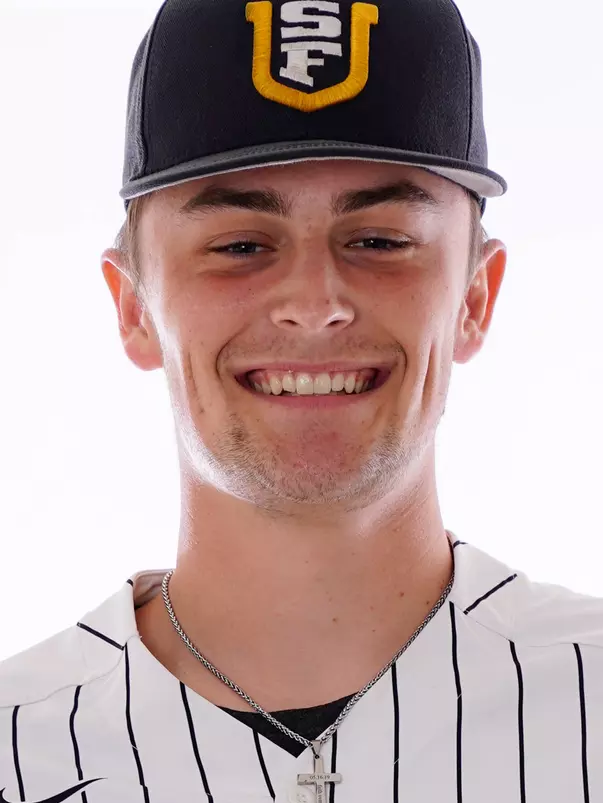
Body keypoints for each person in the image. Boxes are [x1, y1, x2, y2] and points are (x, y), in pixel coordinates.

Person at [2, 0, 602, 800]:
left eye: (380, 240)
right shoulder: (18, 747)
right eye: (241, 245)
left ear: (474, 299)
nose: (314, 301)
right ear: (134, 309)